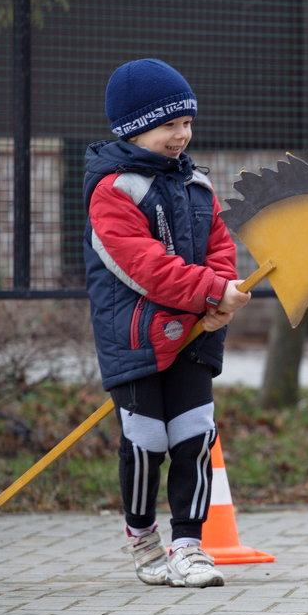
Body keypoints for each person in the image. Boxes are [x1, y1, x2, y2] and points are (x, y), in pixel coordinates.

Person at [83, 58, 251, 587]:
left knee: (195, 435)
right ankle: (142, 537)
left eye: (186, 123)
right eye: (168, 125)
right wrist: (210, 291)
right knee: (145, 441)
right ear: (134, 128)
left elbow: (219, 248)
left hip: (194, 336)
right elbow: (145, 268)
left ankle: (189, 545)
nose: (181, 135)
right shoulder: (113, 191)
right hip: (134, 339)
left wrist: (221, 296)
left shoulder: (197, 185)